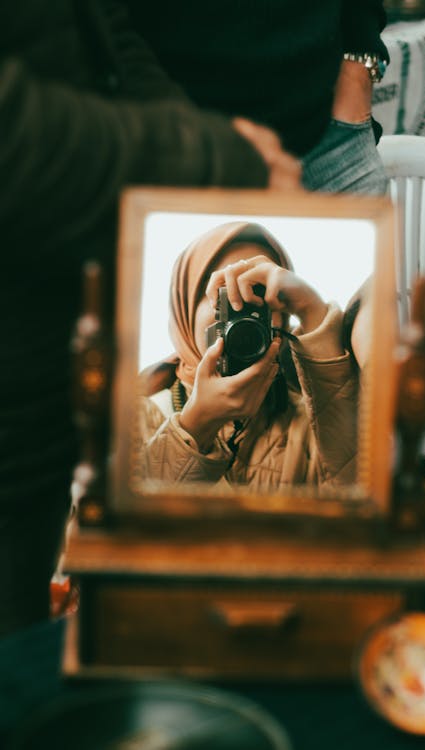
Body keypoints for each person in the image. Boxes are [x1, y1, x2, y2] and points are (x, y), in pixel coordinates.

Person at [0, 0, 300, 637]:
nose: (243, 320)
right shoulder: (135, 407)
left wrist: (317, 331)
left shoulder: (307, 396)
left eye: (262, 299)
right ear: (184, 308)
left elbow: (98, 29)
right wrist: (195, 425)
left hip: (37, 393)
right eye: (226, 300)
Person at [138, 222, 359, 489]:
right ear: (184, 309)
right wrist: (197, 424)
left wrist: (312, 310)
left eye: (259, 292)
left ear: (283, 318)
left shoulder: (314, 425)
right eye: (221, 294)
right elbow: (95, 526)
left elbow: (360, 495)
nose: (239, 307)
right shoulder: (133, 413)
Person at [118, 0, 390, 195]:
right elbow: (106, 24)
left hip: (332, 146)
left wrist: (357, 72)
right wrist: (193, 141)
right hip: (184, 158)